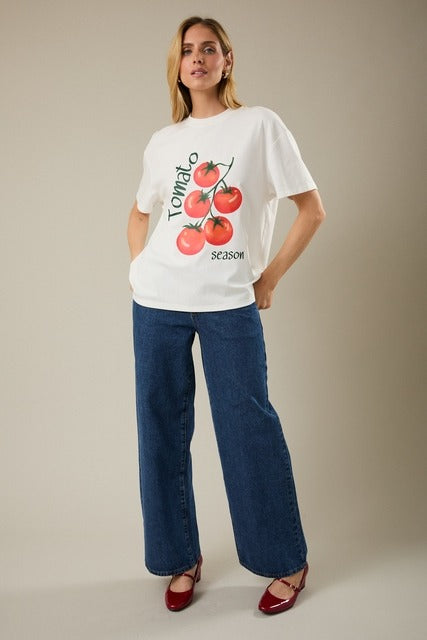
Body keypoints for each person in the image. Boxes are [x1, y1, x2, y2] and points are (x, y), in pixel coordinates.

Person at [127, 16, 326, 615]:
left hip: (228, 303)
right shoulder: (164, 141)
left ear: (227, 59)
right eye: (188, 50)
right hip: (157, 304)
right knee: (159, 430)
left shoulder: (258, 125)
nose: (198, 58)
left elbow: (312, 210)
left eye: (209, 48)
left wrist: (269, 279)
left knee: (247, 427)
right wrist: (141, 268)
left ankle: (286, 560)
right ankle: (179, 557)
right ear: (177, 64)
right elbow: (140, 212)